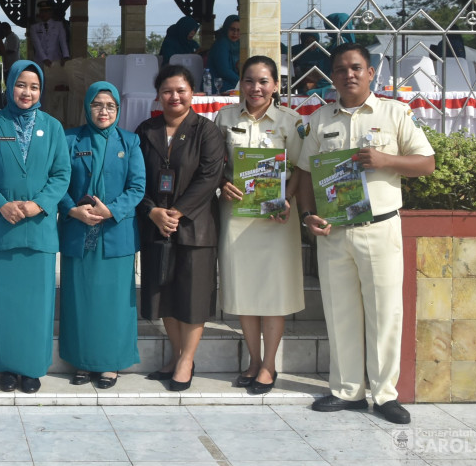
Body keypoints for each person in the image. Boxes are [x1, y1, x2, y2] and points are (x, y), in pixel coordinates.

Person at [294, 42, 435, 425]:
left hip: (379, 227)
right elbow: (305, 173)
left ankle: (385, 394)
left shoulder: (395, 112)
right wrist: (307, 214)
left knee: (384, 313)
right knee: (340, 312)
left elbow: (427, 163)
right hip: (335, 230)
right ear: (333, 77)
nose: (348, 74)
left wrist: (387, 160)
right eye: (340, 69)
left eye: (356, 67)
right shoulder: (321, 119)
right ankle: (346, 391)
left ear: (371, 72)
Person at [0, 60, 71, 393]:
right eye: (20, 85)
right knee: (3, 304)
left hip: (39, 228)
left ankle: (31, 367)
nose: (26, 92)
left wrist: (37, 204)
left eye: (33, 86)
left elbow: (61, 175)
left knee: (36, 304)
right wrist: (0, 204)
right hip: (1, 227)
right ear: (9, 85)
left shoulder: (54, 127)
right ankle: (5, 366)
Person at [213, 55, 304, 396]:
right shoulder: (224, 118)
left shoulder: (290, 122)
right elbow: (215, 165)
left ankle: (270, 364)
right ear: (241, 83)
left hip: (275, 220)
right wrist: (223, 183)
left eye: (264, 81)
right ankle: (253, 361)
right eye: (249, 80)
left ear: (276, 85)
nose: (256, 88)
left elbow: (301, 168)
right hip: (237, 217)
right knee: (245, 290)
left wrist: (289, 199)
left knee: (273, 292)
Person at [135, 64, 223, 391]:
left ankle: (187, 360)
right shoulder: (146, 131)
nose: (175, 96)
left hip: (195, 226)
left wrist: (178, 212)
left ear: (193, 93)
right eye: (168, 91)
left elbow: (209, 177)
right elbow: (135, 179)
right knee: (165, 296)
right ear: (158, 95)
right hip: (156, 225)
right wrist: (153, 211)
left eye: (181, 90)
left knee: (193, 297)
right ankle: (175, 355)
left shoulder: (206, 131)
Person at [59, 82, 147, 388]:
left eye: (110, 106)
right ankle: (82, 361)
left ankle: (110, 363)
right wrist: (72, 210)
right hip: (78, 231)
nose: (104, 111)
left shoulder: (130, 141)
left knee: (114, 302)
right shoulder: (70, 139)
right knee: (79, 299)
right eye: (97, 105)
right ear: (87, 106)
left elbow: (137, 187)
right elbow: (58, 182)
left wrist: (111, 210)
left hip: (115, 233)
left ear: (118, 110)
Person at [28, 0, 69, 67]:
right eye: (41, 11)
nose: (43, 14)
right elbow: (37, 45)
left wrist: (66, 56)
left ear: (51, 12)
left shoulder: (58, 25)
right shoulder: (34, 27)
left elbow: (63, 42)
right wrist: (45, 59)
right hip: (40, 61)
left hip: (56, 60)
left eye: (46, 11)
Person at [207, 14, 241, 91]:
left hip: (231, 82)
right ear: (226, 28)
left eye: (238, 30)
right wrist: (241, 81)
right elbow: (224, 71)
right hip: (218, 84)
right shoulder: (222, 44)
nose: (235, 33)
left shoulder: (238, 44)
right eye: (232, 29)